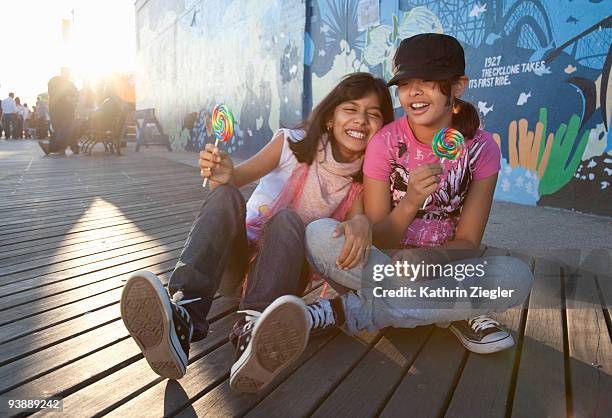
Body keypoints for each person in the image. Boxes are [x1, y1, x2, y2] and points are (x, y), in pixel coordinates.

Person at [119, 73, 394, 391]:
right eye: (351, 109)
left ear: (381, 127)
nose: (361, 120)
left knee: (288, 221)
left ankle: (253, 331)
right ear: (331, 117)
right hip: (236, 264)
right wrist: (224, 172)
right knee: (225, 195)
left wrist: (363, 223)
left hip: (281, 276)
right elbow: (236, 177)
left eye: (373, 114)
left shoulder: (365, 180)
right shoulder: (290, 143)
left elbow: (358, 223)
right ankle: (183, 313)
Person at [302, 34, 534, 354]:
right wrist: (411, 200)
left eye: (429, 80)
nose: (414, 92)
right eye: (406, 82)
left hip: (446, 265)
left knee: (517, 276)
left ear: (458, 86)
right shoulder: (384, 143)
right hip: (383, 263)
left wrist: (429, 261)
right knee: (319, 234)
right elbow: (380, 236)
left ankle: (343, 311)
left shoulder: (482, 149)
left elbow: (468, 242)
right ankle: (454, 311)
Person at [40, 67, 78, 155]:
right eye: (65, 72)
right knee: (60, 129)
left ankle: (52, 148)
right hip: (56, 110)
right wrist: (67, 97)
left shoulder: (69, 84)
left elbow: (76, 96)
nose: (67, 74)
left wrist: (71, 99)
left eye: (67, 73)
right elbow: (53, 92)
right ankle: (71, 147)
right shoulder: (55, 81)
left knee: (63, 129)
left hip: (66, 111)